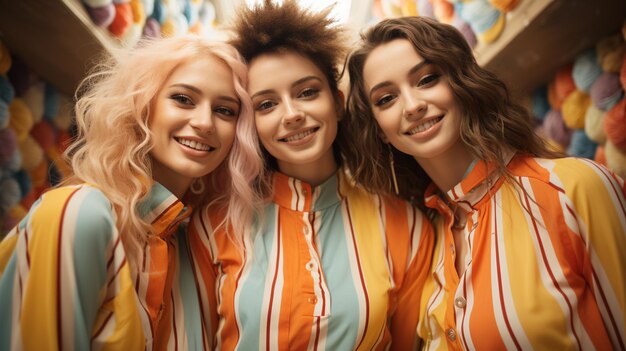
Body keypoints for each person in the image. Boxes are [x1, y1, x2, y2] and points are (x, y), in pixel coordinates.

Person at [344, 16, 626, 350]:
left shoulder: (575, 189)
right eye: (386, 99)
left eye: (427, 79)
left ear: (462, 81)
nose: (413, 105)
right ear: (379, 130)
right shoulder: (427, 238)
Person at [187, 1, 434, 350]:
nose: (291, 114)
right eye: (267, 104)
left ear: (337, 101)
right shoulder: (213, 226)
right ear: (251, 124)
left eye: (307, 92)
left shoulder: (406, 228)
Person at [0, 34, 263, 350]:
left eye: (225, 110)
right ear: (142, 105)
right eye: (183, 99)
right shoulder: (79, 213)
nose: (204, 122)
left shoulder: (190, 242)